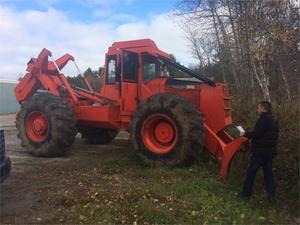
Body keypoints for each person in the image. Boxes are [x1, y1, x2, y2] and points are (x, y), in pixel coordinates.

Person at [241, 101, 279, 200]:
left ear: (263, 109)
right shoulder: (274, 120)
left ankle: (246, 195)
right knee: (268, 174)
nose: (257, 110)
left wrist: (245, 134)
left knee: (251, 172)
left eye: (258, 108)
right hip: (270, 152)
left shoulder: (264, 119)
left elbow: (257, 133)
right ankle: (271, 195)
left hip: (260, 152)